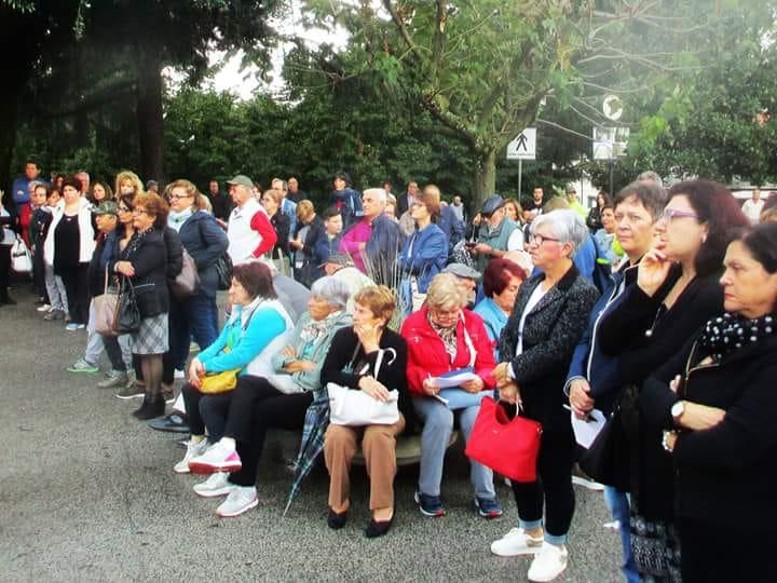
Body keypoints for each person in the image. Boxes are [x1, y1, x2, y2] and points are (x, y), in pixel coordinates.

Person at [596, 179, 749, 580]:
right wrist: (643, 291)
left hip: (674, 460)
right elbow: (609, 339)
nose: (661, 225)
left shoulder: (716, 291)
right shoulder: (666, 274)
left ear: (707, 226)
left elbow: (648, 369)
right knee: (642, 562)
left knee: (673, 568)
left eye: (673, 215)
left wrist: (638, 363)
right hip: (640, 442)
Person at [640, 223, 777, 581]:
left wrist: (674, 439)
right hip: (695, 514)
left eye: (739, 269)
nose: (723, 280)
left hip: (752, 528)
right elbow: (651, 387)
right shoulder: (717, 331)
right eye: (726, 267)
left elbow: (735, 444)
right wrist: (680, 409)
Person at [181, 276, 350, 518]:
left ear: (335, 306)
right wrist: (299, 363)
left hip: (313, 398)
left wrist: (294, 362)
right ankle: (229, 452)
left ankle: (243, 484)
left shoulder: (341, 330)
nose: (310, 303)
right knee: (243, 388)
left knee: (258, 410)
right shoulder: (306, 320)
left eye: (317, 299)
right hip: (288, 383)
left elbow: (316, 378)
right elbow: (277, 361)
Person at [566, 180, 667, 583]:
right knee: (623, 527)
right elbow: (590, 336)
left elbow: (641, 353)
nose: (621, 224)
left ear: (659, 224)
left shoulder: (660, 281)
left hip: (630, 422)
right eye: (618, 215)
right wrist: (575, 379)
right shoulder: (620, 275)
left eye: (634, 217)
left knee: (642, 535)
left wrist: (601, 390)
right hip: (601, 420)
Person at [490, 209, 599, 583]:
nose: (532, 244)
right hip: (517, 390)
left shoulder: (581, 292)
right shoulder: (532, 280)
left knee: (553, 471)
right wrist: (508, 375)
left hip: (552, 395)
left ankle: (555, 544)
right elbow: (509, 331)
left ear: (566, 247)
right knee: (519, 464)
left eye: (542, 238)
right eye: (532, 236)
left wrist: (513, 370)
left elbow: (558, 348)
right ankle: (529, 529)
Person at [401, 273, 501, 518]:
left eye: (454, 312)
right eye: (442, 313)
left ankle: (485, 494)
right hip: (428, 393)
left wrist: (482, 379)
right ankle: (428, 491)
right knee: (441, 418)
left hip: (466, 391)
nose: (448, 318)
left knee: (476, 417)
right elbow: (406, 368)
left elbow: (488, 363)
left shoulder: (473, 322)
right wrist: (423, 380)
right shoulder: (413, 325)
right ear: (431, 306)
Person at [322, 286, 410, 538]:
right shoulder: (343, 337)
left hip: (386, 412)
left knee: (377, 437)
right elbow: (327, 374)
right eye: (356, 309)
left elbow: (393, 384)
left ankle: (382, 506)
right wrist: (359, 381)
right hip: (349, 408)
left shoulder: (396, 343)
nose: (356, 316)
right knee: (337, 436)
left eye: (362, 311)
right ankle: (338, 501)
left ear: (380, 318)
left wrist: (373, 350)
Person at [111, 192, 171, 420]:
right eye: (134, 210)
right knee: (142, 353)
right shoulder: (138, 237)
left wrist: (122, 265)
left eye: (140, 212)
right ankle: (148, 396)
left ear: (153, 216)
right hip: (138, 302)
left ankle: (156, 400)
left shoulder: (155, 240)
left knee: (152, 353)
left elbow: (136, 268)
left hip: (152, 302)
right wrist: (118, 264)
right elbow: (117, 262)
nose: (134, 215)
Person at [166, 179, 229, 387]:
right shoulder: (168, 219)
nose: (173, 200)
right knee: (178, 325)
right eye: (171, 196)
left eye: (178, 196)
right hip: (175, 283)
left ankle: (215, 370)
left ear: (191, 198)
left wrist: (194, 263)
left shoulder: (201, 219)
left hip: (199, 284)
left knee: (204, 327)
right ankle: (176, 366)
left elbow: (221, 242)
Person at [43, 176, 95, 330]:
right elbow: (49, 232)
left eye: (71, 190)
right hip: (62, 256)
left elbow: (95, 231)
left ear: (79, 192)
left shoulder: (88, 209)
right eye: (65, 190)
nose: (67, 193)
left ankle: (86, 319)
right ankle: (75, 317)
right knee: (69, 288)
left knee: (83, 289)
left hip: (82, 256)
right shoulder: (57, 210)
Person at [398, 186, 448, 314]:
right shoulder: (413, 235)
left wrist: (404, 261)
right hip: (407, 291)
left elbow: (419, 264)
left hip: (424, 292)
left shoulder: (437, 236)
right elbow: (401, 260)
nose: (414, 207)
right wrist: (405, 261)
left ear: (430, 210)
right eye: (414, 204)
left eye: (419, 205)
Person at [339, 188, 403, 285]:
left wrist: (354, 253)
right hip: (357, 279)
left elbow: (374, 258)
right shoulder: (356, 224)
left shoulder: (387, 227)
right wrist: (363, 246)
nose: (364, 204)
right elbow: (342, 246)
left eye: (369, 201)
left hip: (378, 284)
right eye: (363, 201)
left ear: (382, 204)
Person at [474, 258, 527, 360]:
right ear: (495, 290)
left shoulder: (521, 306)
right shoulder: (481, 317)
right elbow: (489, 356)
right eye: (512, 289)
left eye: (521, 288)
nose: (519, 293)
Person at [225, 175, 277, 265]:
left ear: (246, 190)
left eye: (234, 189)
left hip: (248, 267)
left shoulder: (255, 211)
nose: (230, 193)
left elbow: (271, 238)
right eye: (230, 190)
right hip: (235, 264)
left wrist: (253, 255)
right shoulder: (234, 211)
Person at [472, 194, 523, 272]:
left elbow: (517, 258)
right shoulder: (483, 229)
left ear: (501, 212)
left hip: (502, 280)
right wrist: (474, 252)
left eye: (489, 216)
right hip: (482, 278)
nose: (486, 220)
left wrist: (491, 251)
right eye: (484, 216)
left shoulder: (513, 230)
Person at [289, 200, 323, 287]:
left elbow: (318, 252)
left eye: (304, 218)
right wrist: (293, 243)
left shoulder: (320, 225)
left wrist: (301, 246)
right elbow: (293, 247)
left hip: (312, 268)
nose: (302, 220)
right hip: (298, 265)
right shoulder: (300, 224)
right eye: (300, 218)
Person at [261, 188, 291, 272]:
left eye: (267, 200)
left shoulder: (283, 218)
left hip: (278, 257)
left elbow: (280, 240)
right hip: (262, 258)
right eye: (263, 200)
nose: (264, 202)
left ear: (276, 203)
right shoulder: (261, 217)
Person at [312, 206, 343, 278]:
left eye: (340, 221)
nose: (339, 224)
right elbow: (315, 264)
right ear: (326, 223)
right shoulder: (319, 243)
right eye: (335, 222)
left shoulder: (345, 240)